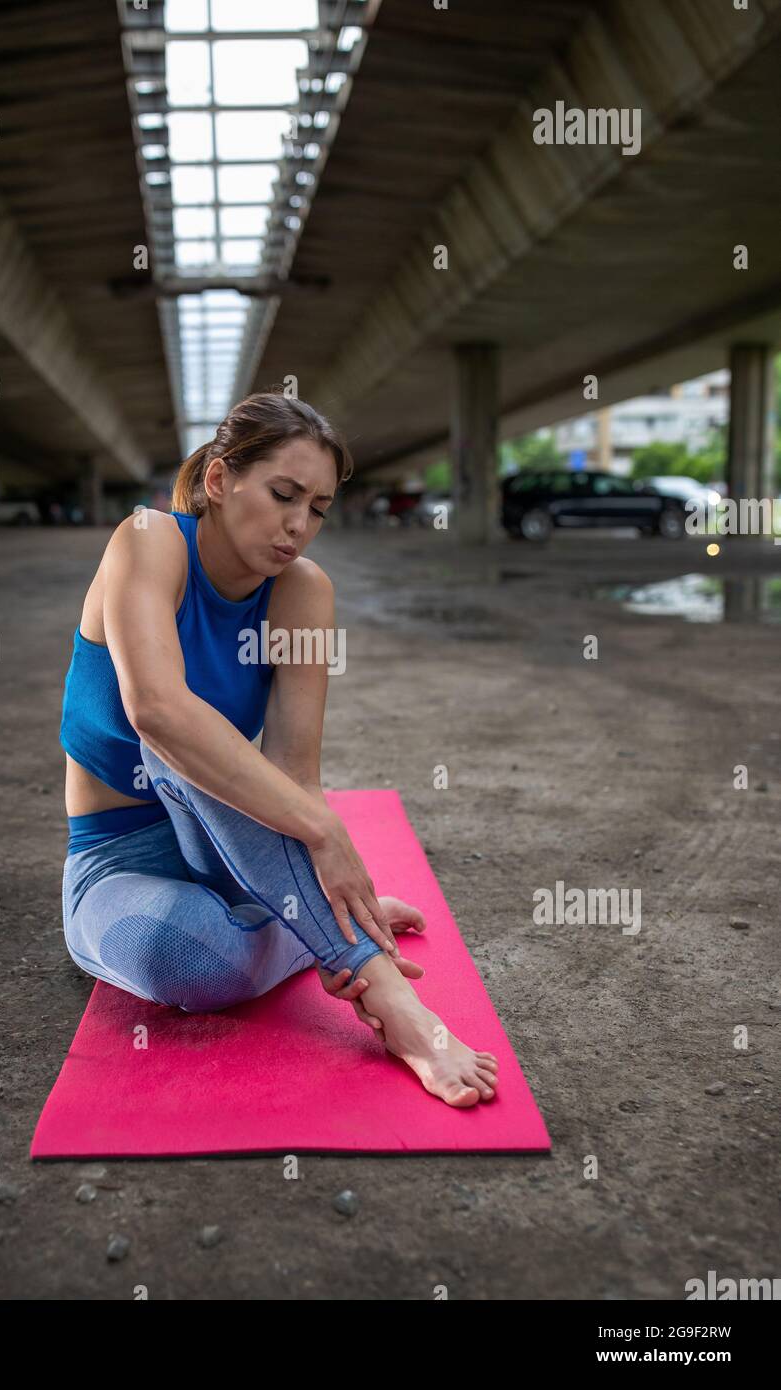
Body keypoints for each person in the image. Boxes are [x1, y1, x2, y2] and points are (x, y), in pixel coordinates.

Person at [59, 392, 498, 1107]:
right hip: (116, 859)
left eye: (319, 508)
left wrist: (312, 834)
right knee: (188, 962)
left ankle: (390, 1000)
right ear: (219, 480)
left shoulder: (301, 593)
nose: (299, 526)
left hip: (228, 853)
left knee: (235, 764)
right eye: (283, 494)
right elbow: (156, 712)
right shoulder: (149, 540)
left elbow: (295, 776)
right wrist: (322, 835)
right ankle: (310, 932)